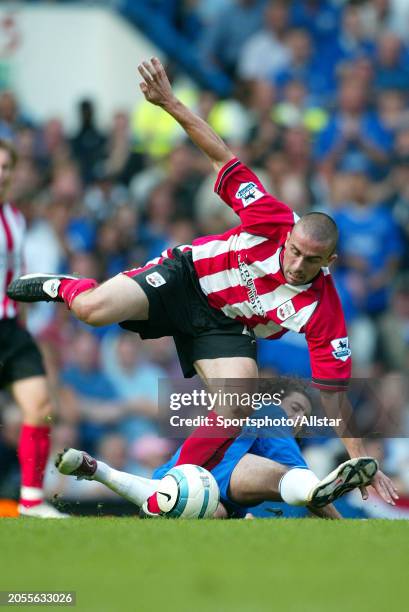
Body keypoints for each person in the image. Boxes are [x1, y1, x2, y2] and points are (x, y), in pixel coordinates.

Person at [7, 58, 397, 516]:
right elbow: (220, 155)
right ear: (288, 236)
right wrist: (170, 102)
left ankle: (172, 491)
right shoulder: (272, 216)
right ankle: (69, 286)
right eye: (293, 251)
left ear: (328, 263)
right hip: (186, 278)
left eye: (310, 261)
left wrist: (358, 456)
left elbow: (332, 392)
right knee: (92, 311)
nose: (295, 264)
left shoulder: (323, 309)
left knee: (239, 401)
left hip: (226, 325)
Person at [55, 380, 379, 519]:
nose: (296, 418)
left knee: (201, 506)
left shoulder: (249, 414)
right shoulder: (270, 414)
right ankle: (100, 472)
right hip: (210, 473)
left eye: (303, 416)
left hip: (183, 479)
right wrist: (340, 522)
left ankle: (96, 469)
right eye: (294, 407)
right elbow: (307, 484)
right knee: (294, 479)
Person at [0, 138, 67, 517]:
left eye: (7, 167)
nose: (2, 173)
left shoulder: (14, 217)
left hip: (10, 328)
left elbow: (15, 277)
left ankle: (30, 500)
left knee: (39, 406)